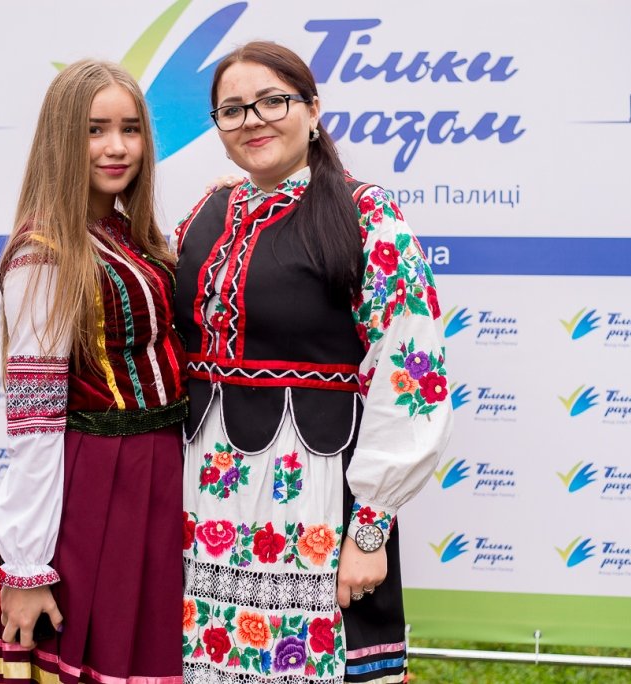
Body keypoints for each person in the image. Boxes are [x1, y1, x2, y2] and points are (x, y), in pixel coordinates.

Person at [175, 42, 453, 684]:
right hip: (206, 504)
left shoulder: (366, 215)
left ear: (313, 110)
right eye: (232, 110)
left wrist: (369, 529)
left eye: (273, 101)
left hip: (312, 504)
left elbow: (411, 373)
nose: (253, 120)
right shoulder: (206, 213)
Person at [0, 59, 186, 684]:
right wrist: (24, 568)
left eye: (130, 129)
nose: (117, 147)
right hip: (99, 485)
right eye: (95, 130)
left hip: (161, 473)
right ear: (61, 138)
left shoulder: (128, 233)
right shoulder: (42, 255)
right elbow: (35, 422)